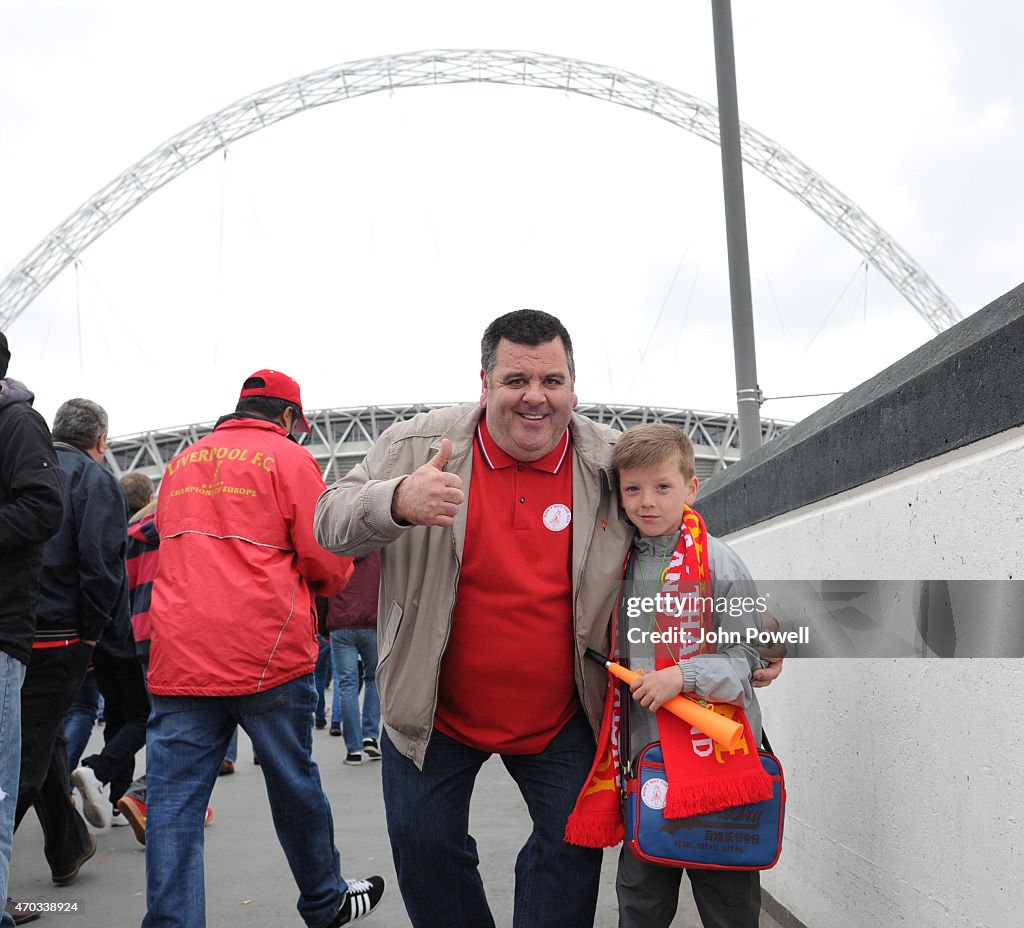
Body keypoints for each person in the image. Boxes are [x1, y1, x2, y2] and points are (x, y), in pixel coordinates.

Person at [314, 310, 637, 928]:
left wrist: (751, 635)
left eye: (552, 380)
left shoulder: (610, 463)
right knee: (426, 853)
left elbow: (681, 549)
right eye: (517, 379)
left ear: (575, 386)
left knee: (570, 855)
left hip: (565, 714)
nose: (535, 398)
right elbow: (329, 520)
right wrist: (397, 501)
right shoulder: (417, 446)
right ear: (484, 384)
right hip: (432, 712)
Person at [142, 369, 384, 928]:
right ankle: (325, 901)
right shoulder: (289, 459)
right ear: (288, 418)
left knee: (175, 803)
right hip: (265, 653)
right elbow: (325, 557)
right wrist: (332, 580)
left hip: (180, 655)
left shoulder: (181, 464)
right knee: (292, 781)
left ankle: (171, 922)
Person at [570, 423, 771, 928]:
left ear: (691, 487)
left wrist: (682, 676)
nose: (646, 502)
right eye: (633, 489)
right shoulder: (611, 563)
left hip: (718, 760)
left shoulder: (721, 562)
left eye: (662, 486)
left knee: (728, 901)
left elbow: (748, 652)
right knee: (640, 901)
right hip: (643, 761)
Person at [15, 398, 128, 886]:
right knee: (26, 756)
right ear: (100, 439)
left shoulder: (28, 465)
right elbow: (101, 563)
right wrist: (93, 635)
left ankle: (68, 846)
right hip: (61, 634)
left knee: (45, 741)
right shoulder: (94, 478)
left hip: (17, 627)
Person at [0, 333, 65, 927]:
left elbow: (44, 508)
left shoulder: (17, 421)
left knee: (6, 774)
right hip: (44, 631)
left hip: (9, 630)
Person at [325, 551, 382, 765]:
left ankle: (353, 749)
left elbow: (324, 585)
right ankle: (370, 736)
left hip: (341, 623)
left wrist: (323, 626)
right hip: (372, 621)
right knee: (373, 680)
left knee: (347, 684)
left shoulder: (339, 549)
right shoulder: (377, 549)